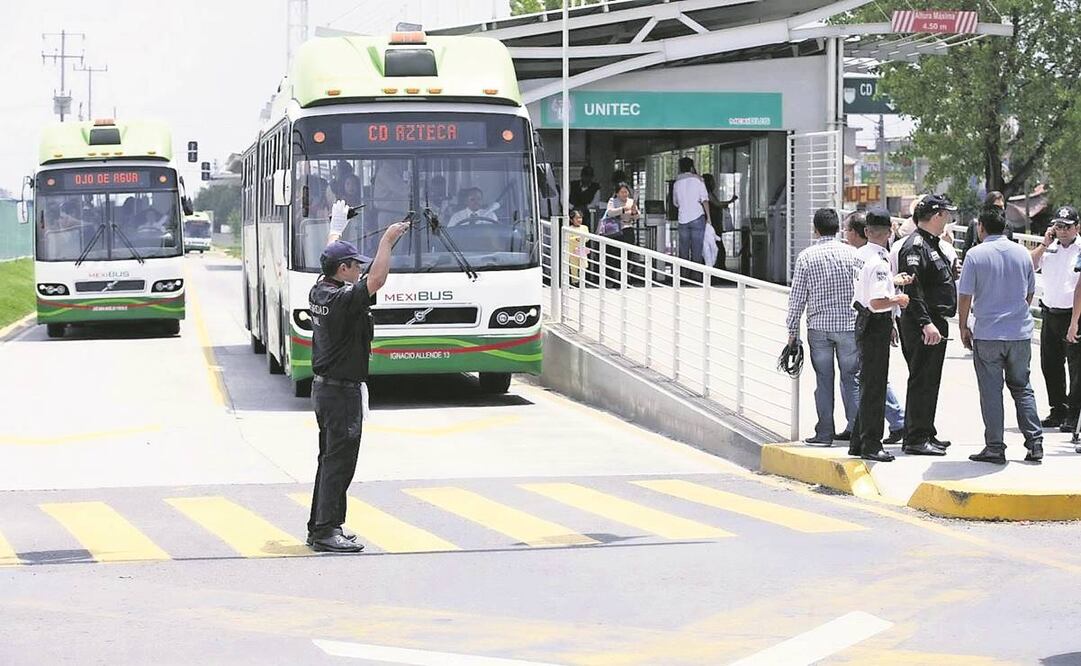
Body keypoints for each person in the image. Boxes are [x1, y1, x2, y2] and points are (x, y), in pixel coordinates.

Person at [306, 201, 410, 552]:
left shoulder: (321, 287)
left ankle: (322, 525)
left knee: (330, 459)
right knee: (339, 462)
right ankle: (325, 531)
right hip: (340, 394)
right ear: (344, 269)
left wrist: (337, 227)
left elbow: (330, 252)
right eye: (355, 266)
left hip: (328, 392)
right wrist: (387, 241)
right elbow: (377, 280)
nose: (359, 271)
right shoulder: (342, 299)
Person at [958, 206, 1043, 464]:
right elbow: (1030, 292)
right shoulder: (1022, 254)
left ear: (981, 228)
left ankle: (995, 447)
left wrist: (963, 326)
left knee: (991, 391)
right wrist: (1017, 313)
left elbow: (965, 296)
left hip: (988, 334)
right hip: (1019, 333)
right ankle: (1035, 442)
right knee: (1022, 387)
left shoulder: (975, 254)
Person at [786, 208, 860, 445]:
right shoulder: (854, 255)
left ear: (815, 230)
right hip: (849, 325)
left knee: (823, 380)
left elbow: (797, 297)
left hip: (818, 327)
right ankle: (856, 430)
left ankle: (825, 433)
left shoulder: (807, 257)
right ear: (838, 228)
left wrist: (792, 332)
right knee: (852, 379)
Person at [896, 194, 959, 456]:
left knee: (929, 380)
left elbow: (932, 279)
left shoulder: (932, 244)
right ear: (936, 216)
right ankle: (916, 438)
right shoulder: (916, 247)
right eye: (946, 214)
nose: (949, 219)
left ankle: (924, 430)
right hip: (924, 323)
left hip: (934, 321)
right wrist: (925, 323)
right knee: (922, 379)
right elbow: (914, 290)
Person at [848, 208, 912, 461]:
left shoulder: (861, 255)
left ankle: (858, 441)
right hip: (874, 323)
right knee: (874, 387)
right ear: (889, 232)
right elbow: (876, 302)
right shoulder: (879, 262)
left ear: (866, 231)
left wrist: (892, 282)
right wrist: (899, 298)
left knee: (868, 385)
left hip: (863, 321)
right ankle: (872, 445)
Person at [1030, 205, 1081, 431]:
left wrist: (1075, 322)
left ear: (1076, 227)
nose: (1061, 231)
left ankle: (1074, 413)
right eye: (1058, 226)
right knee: (1050, 365)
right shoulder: (1049, 248)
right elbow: (1030, 265)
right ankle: (1057, 410)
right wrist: (1044, 244)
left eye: (1066, 227)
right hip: (1050, 313)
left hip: (1073, 315)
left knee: (1076, 368)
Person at [671, 157, 710, 268]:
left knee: (683, 251)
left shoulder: (677, 183)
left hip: (683, 219)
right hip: (698, 216)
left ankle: (683, 277)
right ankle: (696, 278)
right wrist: (709, 218)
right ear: (692, 167)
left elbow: (675, 203)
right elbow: (705, 200)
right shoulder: (699, 180)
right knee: (697, 250)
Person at [598, 182, 639, 286]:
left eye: (626, 192)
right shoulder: (613, 201)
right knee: (616, 254)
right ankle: (616, 279)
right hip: (616, 230)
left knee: (628, 254)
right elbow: (610, 212)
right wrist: (623, 209)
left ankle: (625, 278)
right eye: (622, 192)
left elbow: (637, 216)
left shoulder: (631, 201)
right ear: (617, 193)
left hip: (628, 229)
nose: (625, 194)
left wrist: (634, 213)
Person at [703, 173, 738, 272]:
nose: (714, 183)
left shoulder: (708, 193)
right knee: (718, 247)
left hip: (713, 224)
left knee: (715, 247)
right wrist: (730, 201)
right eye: (712, 181)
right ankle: (719, 268)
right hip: (712, 225)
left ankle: (717, 268)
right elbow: (717, 204)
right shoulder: (707, 193)